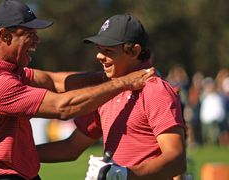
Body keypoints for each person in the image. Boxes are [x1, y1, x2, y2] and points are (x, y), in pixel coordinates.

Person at [0, 1, 154, 180]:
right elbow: (63, 107)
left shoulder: (6, 69)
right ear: (4, 35)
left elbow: (55, 81)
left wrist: (106, 77)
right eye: (30, 34)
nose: (37, 41)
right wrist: (124, 82)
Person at [37, 14, 187, 180]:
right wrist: (19, 155)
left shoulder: (155, 90)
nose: (99, 56)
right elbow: (71, 148)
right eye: (99, 49)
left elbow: (177, 160)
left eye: (108, 50)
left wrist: (124, 175)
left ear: (135, 51)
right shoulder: (109, 89)